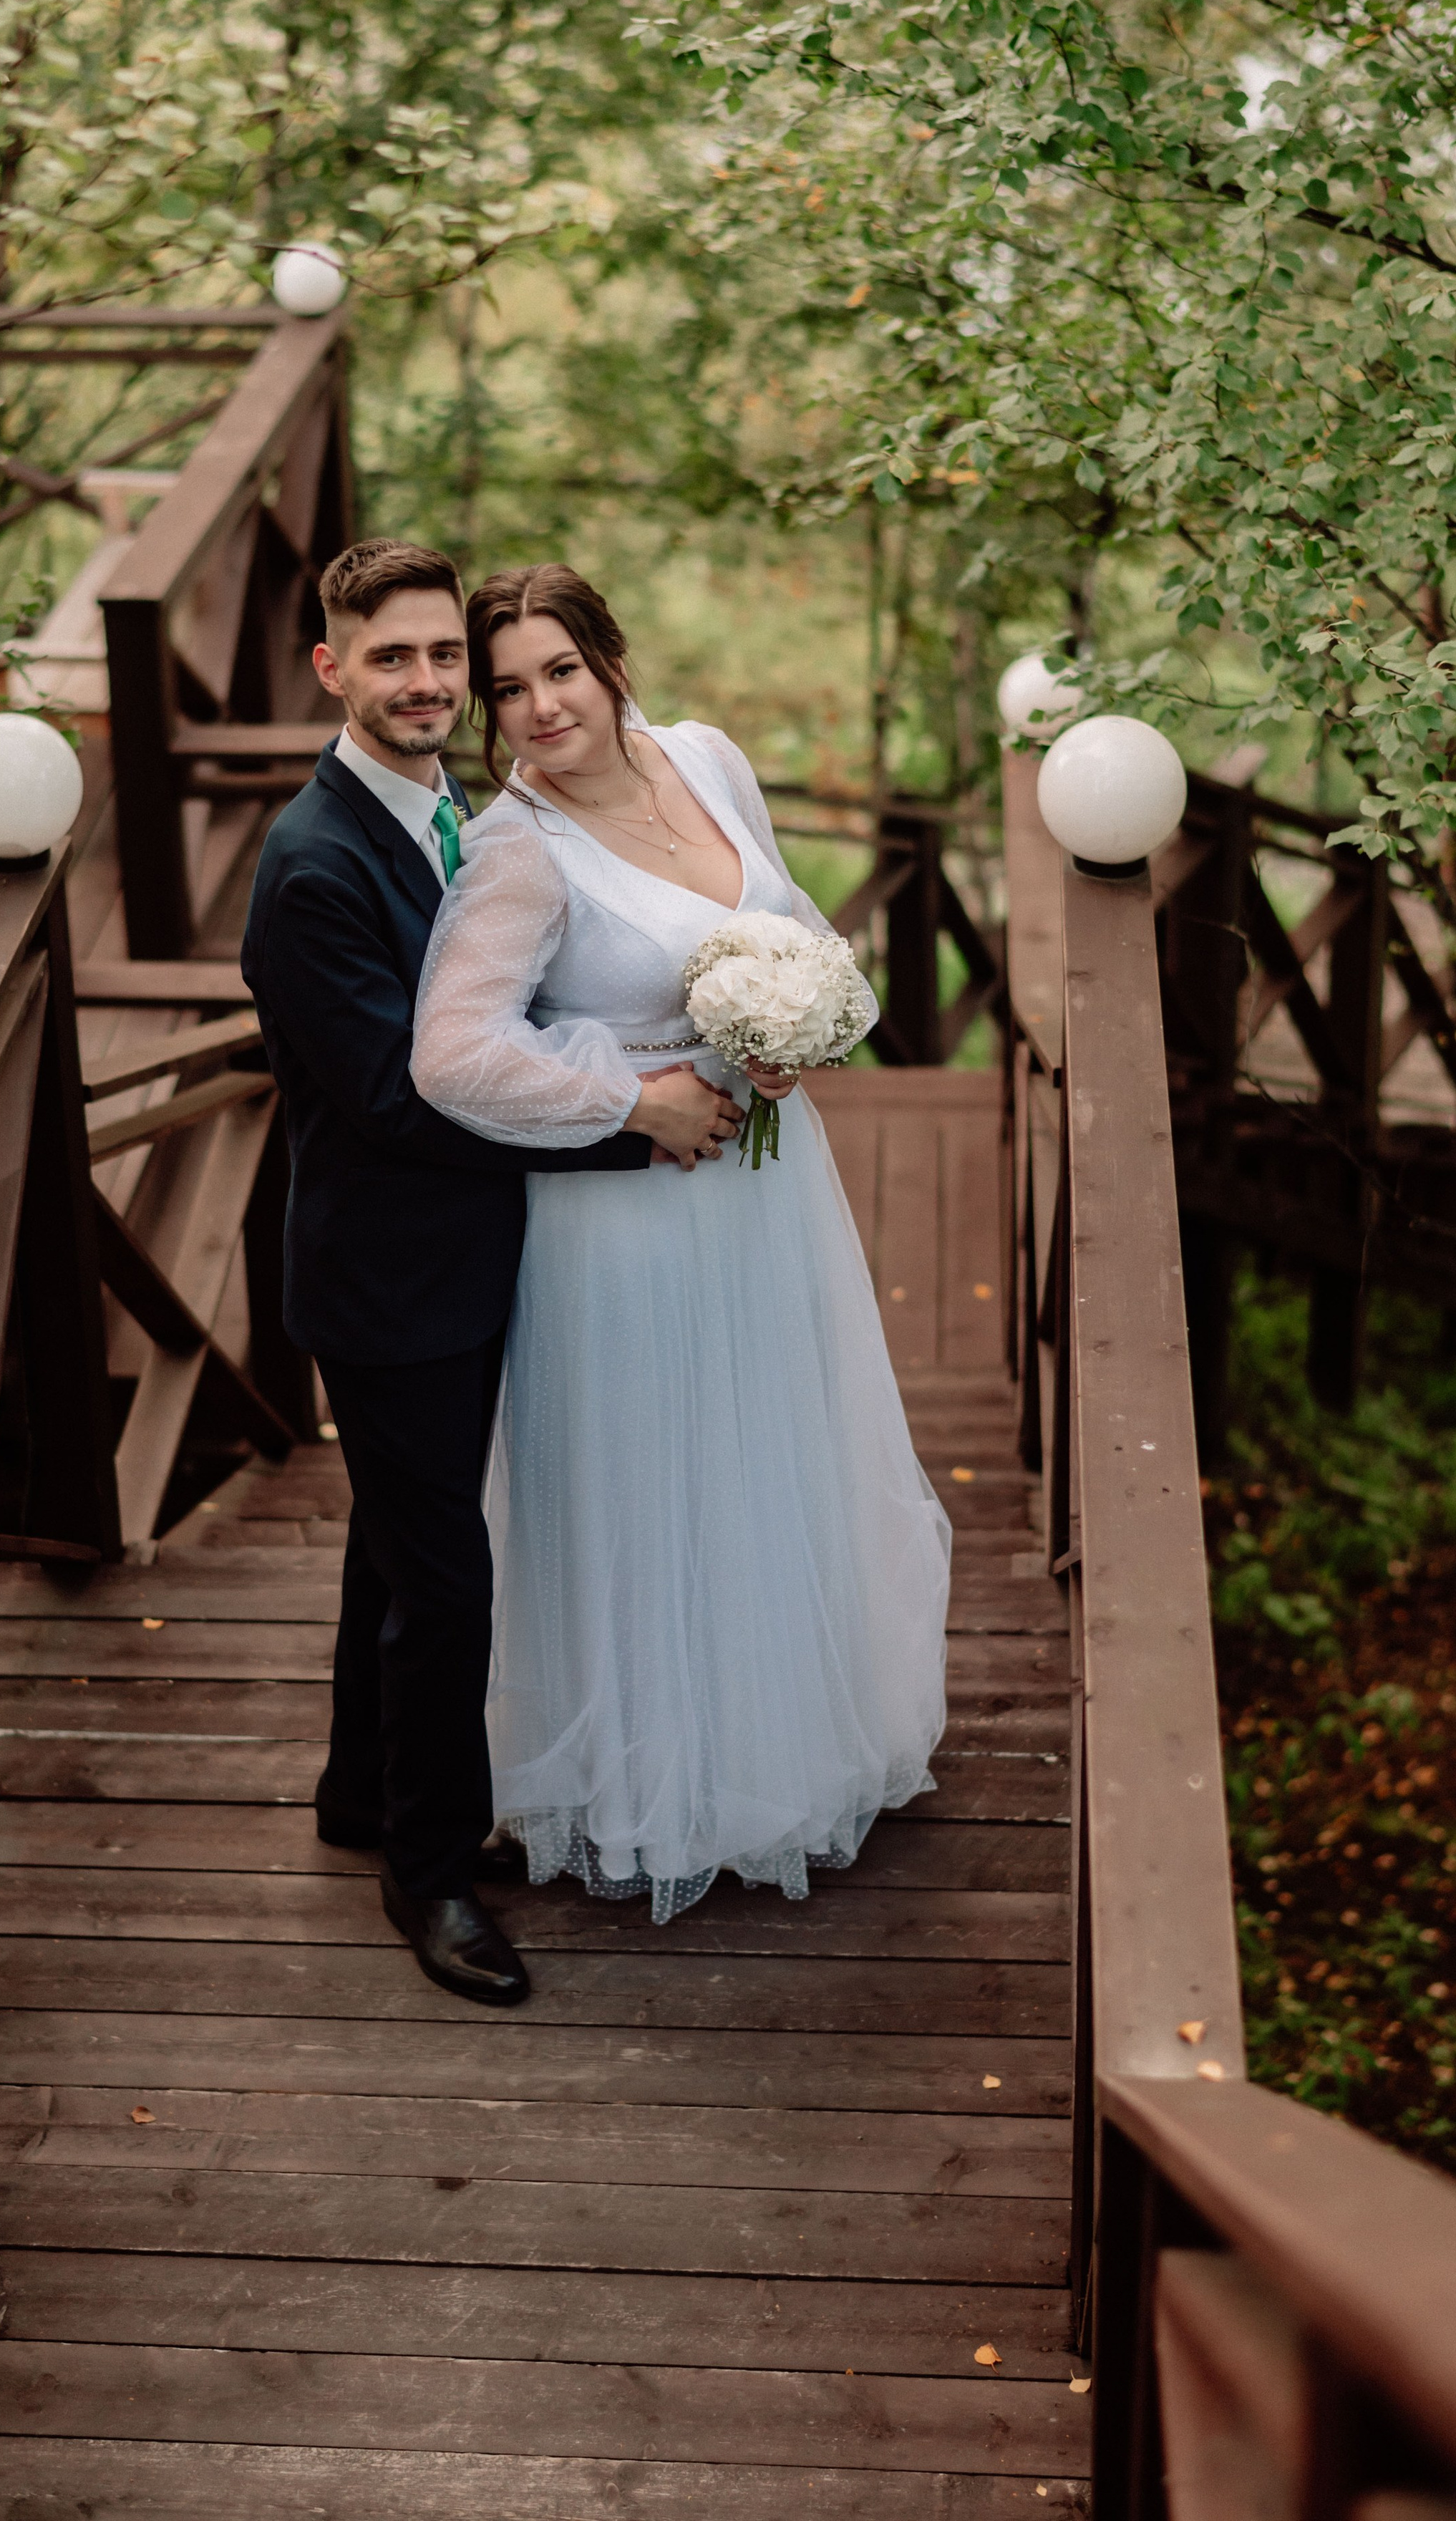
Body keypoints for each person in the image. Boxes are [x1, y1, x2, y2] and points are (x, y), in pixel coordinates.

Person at [410, 563, 951, 1923]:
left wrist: (805, 1033)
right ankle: (658, 1790)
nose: (540, 709)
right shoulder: (516, 853)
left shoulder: (704, 757)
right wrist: (634, 1097)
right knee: (655, 1484)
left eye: (561, 673)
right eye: (509, 690)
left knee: (770, 1453)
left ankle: (783, 1745)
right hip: (623, 1220)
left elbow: (801, 932)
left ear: (609, 661)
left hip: (764, 1192)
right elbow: (451, 1057)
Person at [241, 538, 741, 2009]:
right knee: (448, 1574)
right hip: (390, 1277)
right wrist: (632, 1122)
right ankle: (428, 1868)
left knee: (393, 1548)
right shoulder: (312, 866)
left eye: (440, 657)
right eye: (389, 658)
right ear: (329, 666)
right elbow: (399, 1102)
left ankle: (357, 1788)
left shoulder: (454, 809)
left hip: (476, 1254)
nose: (427, 683)